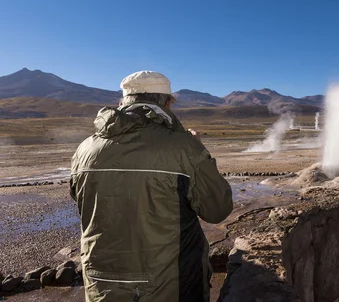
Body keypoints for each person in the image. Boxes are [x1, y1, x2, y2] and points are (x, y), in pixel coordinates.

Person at [70, 71, 233, 302]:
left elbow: (82, 202)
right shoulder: (184, 148)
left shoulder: (84, 149)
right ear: (168, 103)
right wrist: (200, 154)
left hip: (101, 280)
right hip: (170, 282)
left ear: (122, 102)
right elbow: (218, 209)